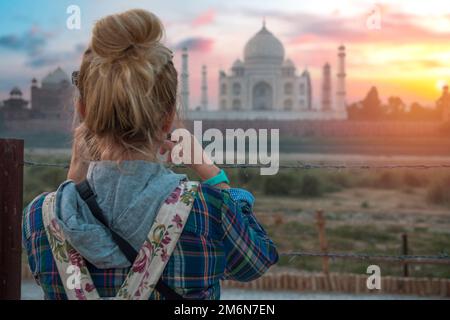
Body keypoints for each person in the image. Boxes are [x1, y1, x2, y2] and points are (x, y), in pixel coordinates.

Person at [22, 9, 278, 300]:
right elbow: (256, 261)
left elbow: (71, 228)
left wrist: (74, 178)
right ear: (168, 119)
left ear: (84, 113)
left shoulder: (39, 219)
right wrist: (212, 173)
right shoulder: (207, 211)